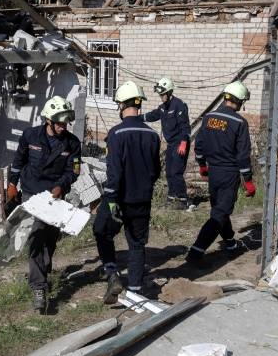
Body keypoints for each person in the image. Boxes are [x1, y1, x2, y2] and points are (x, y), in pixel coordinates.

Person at [7, 96, 82, 312]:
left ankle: (42, 269)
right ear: (48, 120)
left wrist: (61, 186)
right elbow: (18, 160)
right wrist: (12, 183)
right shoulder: (30, 136)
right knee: (37, 237)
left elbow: (73, 172)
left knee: (51, 238)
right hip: (32, 194)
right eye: (59, 122)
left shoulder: (72, 143)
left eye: (65, 122)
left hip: (55, 196)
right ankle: (39, 287)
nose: (62, 126)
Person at [95, 81, 162, 303]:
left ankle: (112, 273)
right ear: (139, 104)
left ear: (121, 105)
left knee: (101, 231)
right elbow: (155, 171)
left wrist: (112, 199)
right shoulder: (153, 136)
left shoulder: (116, 134)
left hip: (119, 199)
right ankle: (135, 292)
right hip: (142, 199)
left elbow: (114, 171)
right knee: (136, 244)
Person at [186, 81, 256, 263]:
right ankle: (196, 252)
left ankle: (231, 242)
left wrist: (202, 165)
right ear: (239, 101)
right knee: (219, 214)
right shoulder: (239, 122)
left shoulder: (209, 117)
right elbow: (242, 155)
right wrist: (248, 180)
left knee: (220, 210)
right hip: (229, 174)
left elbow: (199, 145)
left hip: (213, 173)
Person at [144, 77, 192, 210]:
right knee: (169, 172)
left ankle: (183, 200)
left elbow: (185, 127)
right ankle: (171, 197)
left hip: (180, 142)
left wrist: (183, 142)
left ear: (170, 92)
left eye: (163, 94)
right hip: (171, 144)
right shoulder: (163, 107)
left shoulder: (179, 105)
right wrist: (138, 117)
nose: (161, 97)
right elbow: (153, 115)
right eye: (160, 95)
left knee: (176, 172)